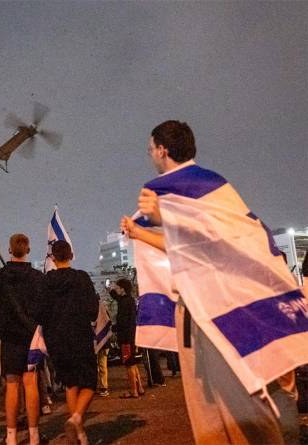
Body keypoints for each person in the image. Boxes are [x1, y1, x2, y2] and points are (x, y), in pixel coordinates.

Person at [120, 120, 302, 444]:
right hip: (217, 307)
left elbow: (215, 239)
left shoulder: (194, 189)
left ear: (162, 150)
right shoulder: (210, 191)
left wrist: (165, 216)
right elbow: (191, 247)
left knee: (241, 409)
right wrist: (141, 232)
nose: (150, 156)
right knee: (226, 406)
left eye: (150, 150)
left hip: (224, 310)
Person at [39, 240, 99, 445]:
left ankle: (79, 435)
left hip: (55, 339)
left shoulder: (46, 282)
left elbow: (39, 312)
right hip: (79, 335)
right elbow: (92, 311)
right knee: (90, 382)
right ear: (71, 255)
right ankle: (76, 418)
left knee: (70, 383)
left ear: (53, 258)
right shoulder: (81, 278)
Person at [0, 234, 44, 445]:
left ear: (10, 250)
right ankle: (34, 435)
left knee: (11, 385)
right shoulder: (38, 277)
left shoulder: (0, 276)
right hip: (31, 336)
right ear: (28, 250)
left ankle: (11, 436)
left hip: (9, 336)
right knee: (31, 384)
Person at [111, 278, 145, 399]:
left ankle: (134, 391)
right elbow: (116, 297)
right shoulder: (129, 300)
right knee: (133, 363)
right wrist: (112, 289)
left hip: (125, 339)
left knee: (129, 365)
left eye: (117, 287)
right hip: (132, 336)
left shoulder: (123, 303)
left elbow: (122, 321)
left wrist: (114, 328)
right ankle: (140, 387)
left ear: (122, 289)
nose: (116, 289)